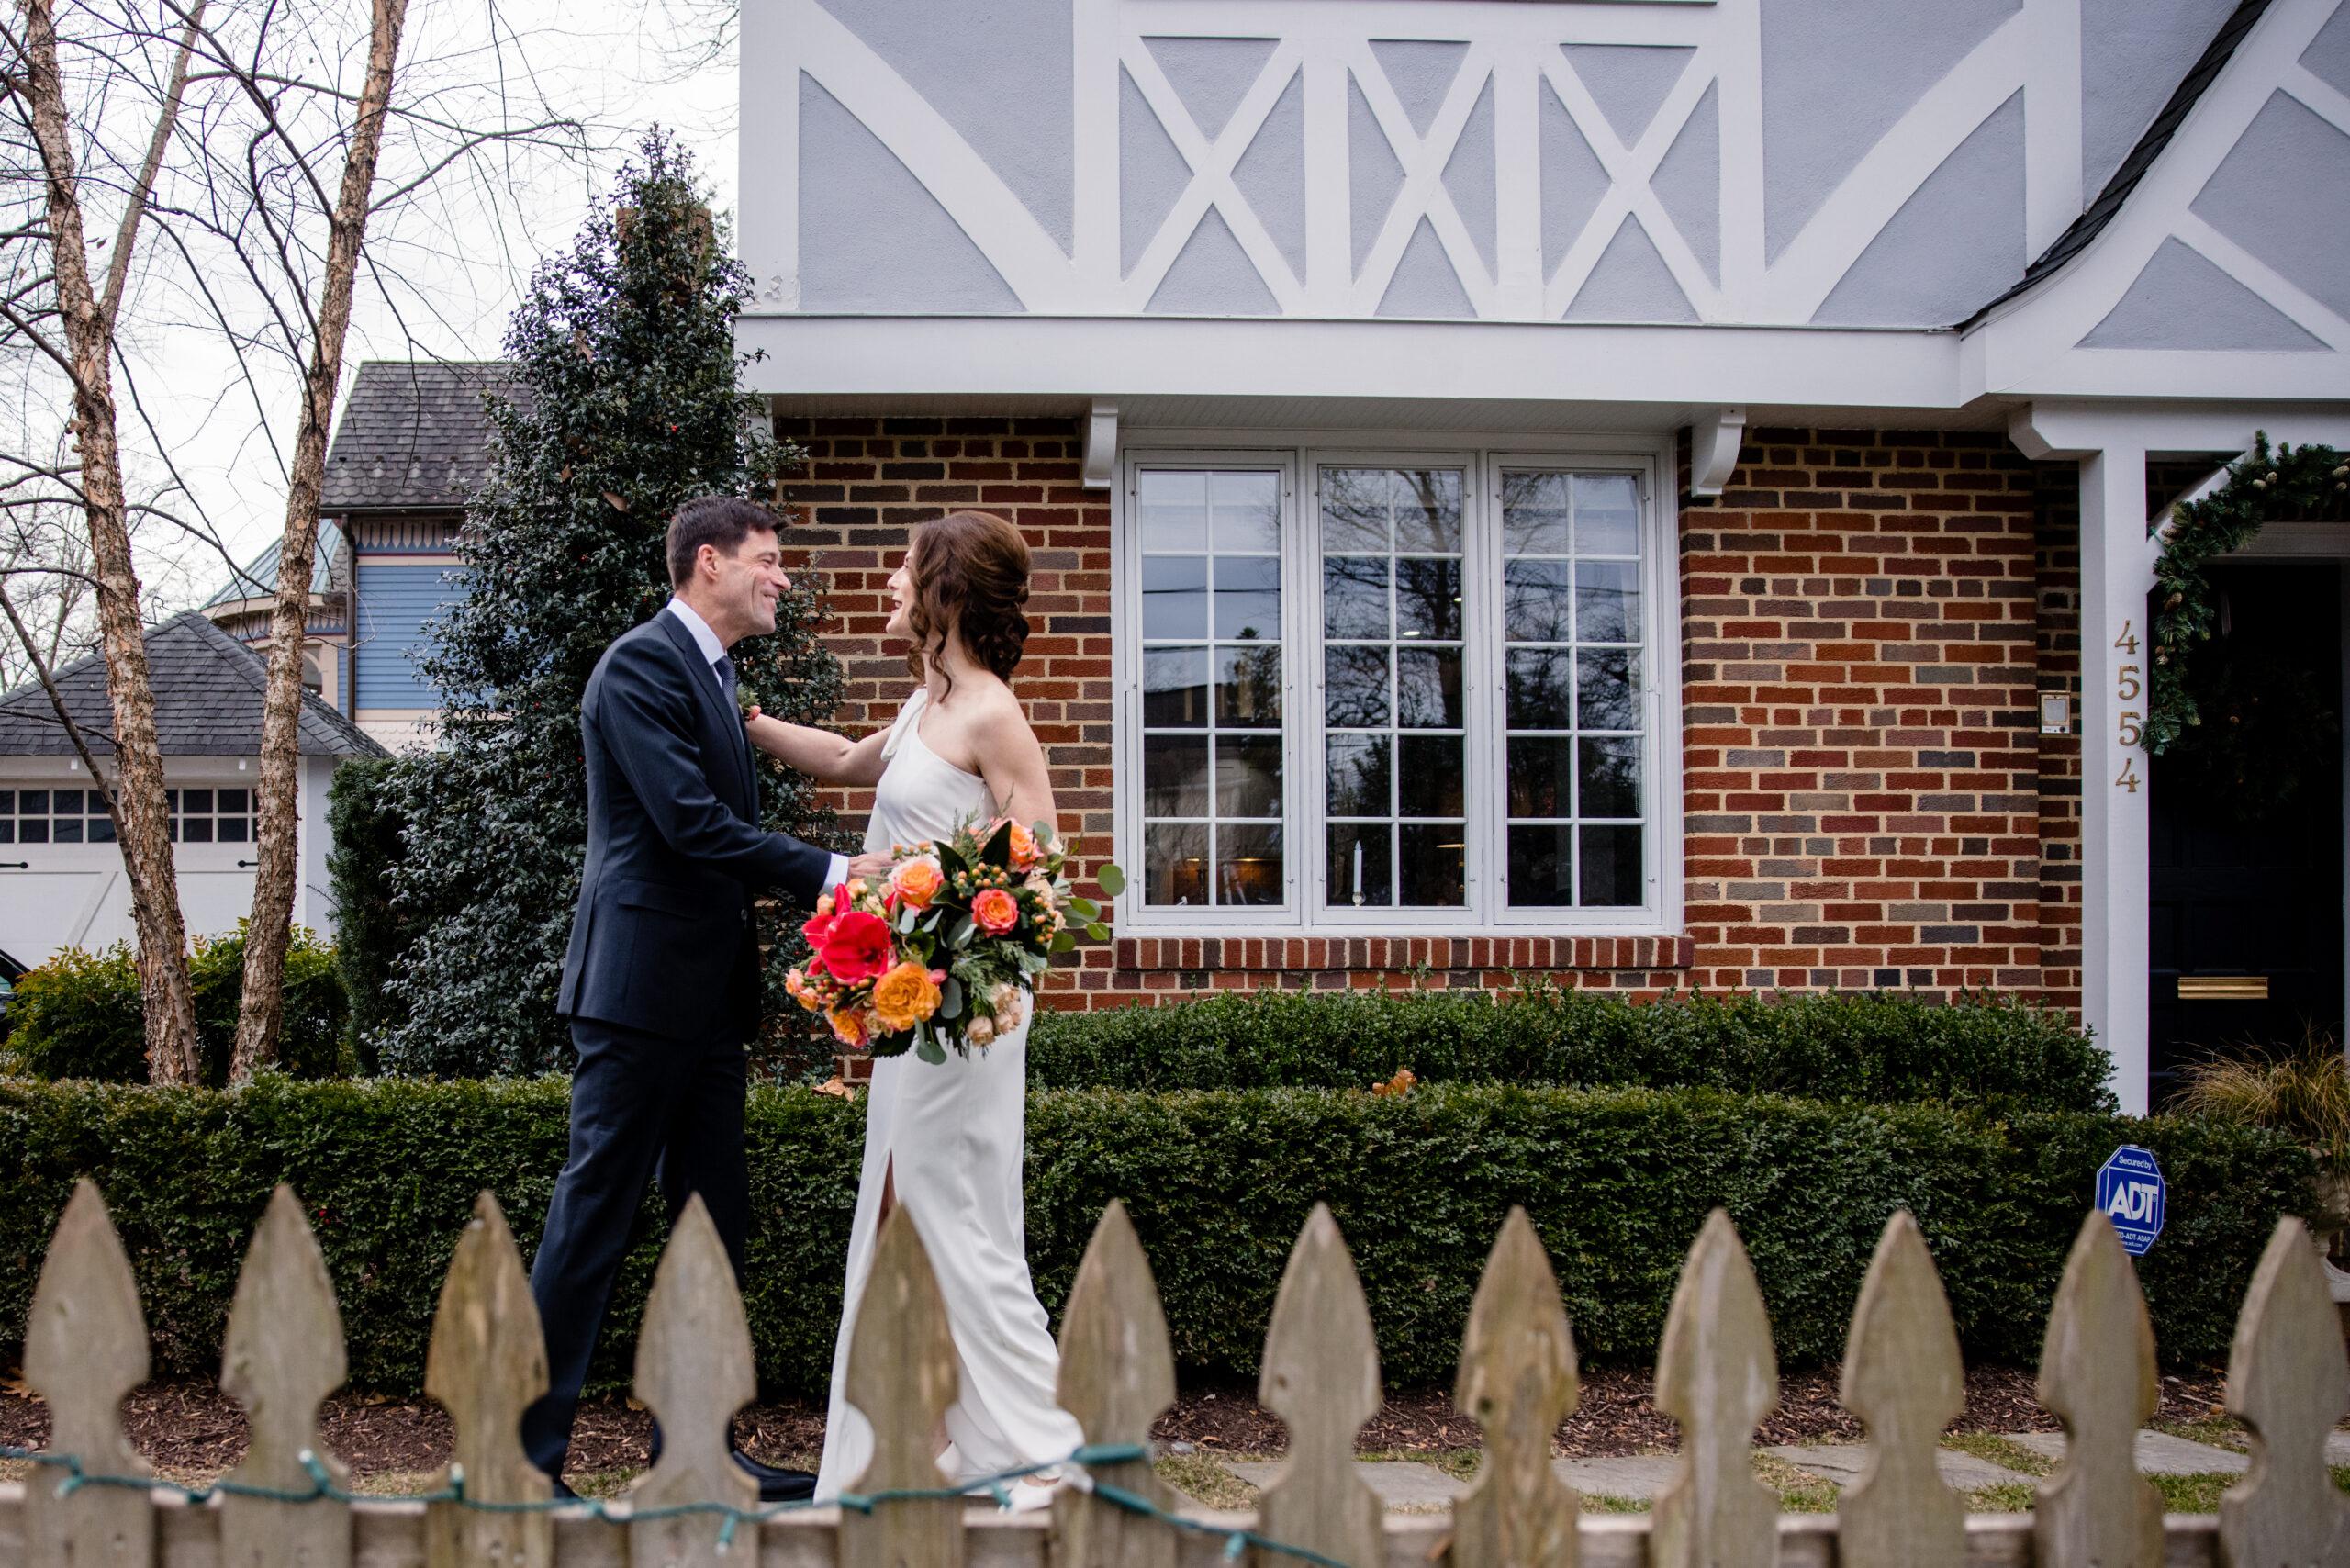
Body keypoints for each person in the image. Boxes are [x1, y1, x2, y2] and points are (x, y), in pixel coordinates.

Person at [526, 496, 891, 1501]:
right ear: (706, 564)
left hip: (704, 1003)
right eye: (767, 561)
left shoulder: (716, 678)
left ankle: (694, 1453)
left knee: (711, 1223)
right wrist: (834, 873)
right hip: (638, 992)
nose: (782, 578)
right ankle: (520, 1461)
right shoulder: (641, 665)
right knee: (593, 1218)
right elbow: (688, 825)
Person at [744, 509, 1082, 1506]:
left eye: (901, 572)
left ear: (941, 591)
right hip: (911, 1022)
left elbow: (1042, 867)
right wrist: (748, 721)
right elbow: (849, 765)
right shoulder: (924, 705)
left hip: (963, 1024)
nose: (888, 584)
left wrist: (944, 935)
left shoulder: (990, 712)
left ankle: (1040, 1448)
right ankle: (922, 1433)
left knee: (959, 1220)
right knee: (899, 1215)